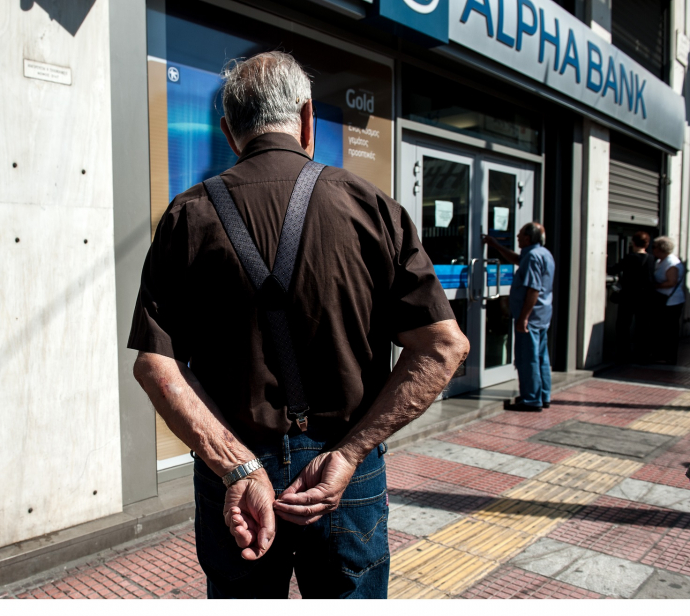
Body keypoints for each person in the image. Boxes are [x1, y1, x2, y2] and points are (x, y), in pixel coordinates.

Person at [128, 51, 469, 599]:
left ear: (229, 132)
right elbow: (444, 347)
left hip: (234, 475)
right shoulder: (372, 208)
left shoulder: (186, 216)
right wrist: (350, 454)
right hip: (342, 471)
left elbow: (154, 363)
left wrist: (236, 465)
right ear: (308, 119)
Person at [482, 223, 555, 412]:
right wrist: (496, 246)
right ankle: (543, 395)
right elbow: (517, 259)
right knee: (541, 357)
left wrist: (523, 318)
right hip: (542, 315)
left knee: (527, 358)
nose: (517, 236)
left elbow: (533, 289)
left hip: (531, 317)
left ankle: (531, 400)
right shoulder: (542, 253)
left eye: (520, 234)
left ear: (528, 238)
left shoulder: (532, 256)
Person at [607, 231, 654, 363]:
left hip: (628, 297)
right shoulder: (651, 259)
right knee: (643, 326)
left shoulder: (630, 258)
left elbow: (613, 269)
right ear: (647, 243)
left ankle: (624, 354)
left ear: (633, 242)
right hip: (644, 298)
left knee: (623, 326)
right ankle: (642, 355)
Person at [650, 236, 685, 365]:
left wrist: (655, 286)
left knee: (668, 330)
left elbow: (672, 282)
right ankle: (661, 355)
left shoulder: (671, 262)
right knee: (662, 329)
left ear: (661, 249)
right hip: (664, 299)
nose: (652, 250)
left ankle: (667, 357)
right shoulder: (661, 261)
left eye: (654, 247)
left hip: (671, 302)